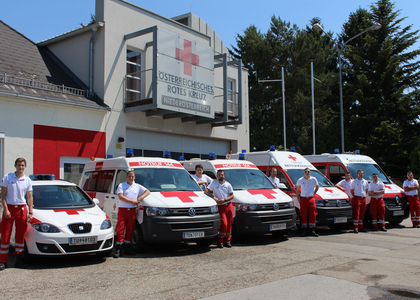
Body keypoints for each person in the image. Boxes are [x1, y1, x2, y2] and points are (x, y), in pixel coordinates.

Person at [0, 158, 33, 270]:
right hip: (9, 208)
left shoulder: (27, 180)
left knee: (20, 235)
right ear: (15, 165)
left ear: (25, 166)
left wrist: (30, 212)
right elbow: (3, 194)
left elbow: (29, 196)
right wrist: (6, 209)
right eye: (19, 165)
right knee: (5, 235)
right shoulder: (7, 177)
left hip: (22, 209)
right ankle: (3, 261)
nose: (21, 167)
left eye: (23, 165)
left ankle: (18, 260)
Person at [114, 171, 150, 258]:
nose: (131, 178)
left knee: (130, 229)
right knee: (120, 228)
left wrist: (140, 198)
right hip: (123, 209)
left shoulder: (137, 186)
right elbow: (121, 197)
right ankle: (118, 247)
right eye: (129, 176)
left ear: (134, 177)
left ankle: (127, 246)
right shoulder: (121, 185)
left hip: (132, 210)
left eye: (132, 177)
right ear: (126, 177)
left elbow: (148, 191)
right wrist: (132, 202)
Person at [205, 170, 234, 248]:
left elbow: (232, 196)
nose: (220, 176)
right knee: (224, 224)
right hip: (220, 206)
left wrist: (225, 200)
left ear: (224, 176)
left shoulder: (228, 184)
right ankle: (220, 241)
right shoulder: (214, 183)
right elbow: (206, 191)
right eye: (219, 175)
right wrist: (214, 197)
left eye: (222, 175)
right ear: (217, 176)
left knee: (229, 223)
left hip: (228, 205)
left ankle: (228, 241)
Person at [296, 168, 319, 237]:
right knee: (303, 214)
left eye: (308, 171)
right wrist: (298, 199)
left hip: (311, 198)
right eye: (306, 171)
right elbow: (297, 190)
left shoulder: (313, 179)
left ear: (310, 172)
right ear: (304, 172)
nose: (307, 173)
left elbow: (317, 186)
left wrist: (313, 193)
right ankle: (304, 229)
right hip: (303, 198)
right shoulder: (300, 180)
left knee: (313, 213)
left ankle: (312, 229)